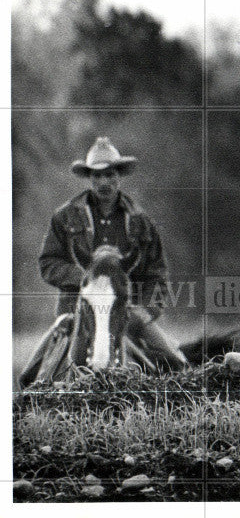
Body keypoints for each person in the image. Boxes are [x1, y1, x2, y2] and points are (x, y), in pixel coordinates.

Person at [21, 137, 187, 385]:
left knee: (178, 366)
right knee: (29, 377)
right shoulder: (65, 217)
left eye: (109, 175)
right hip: (76, 309)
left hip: (127, 309)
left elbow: (157, 273)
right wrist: (89, 281)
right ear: (89, 178)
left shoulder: (141, 221)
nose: (103, 182)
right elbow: (48, 263)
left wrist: (146, 308)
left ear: (119, 175)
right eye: (96, 176)